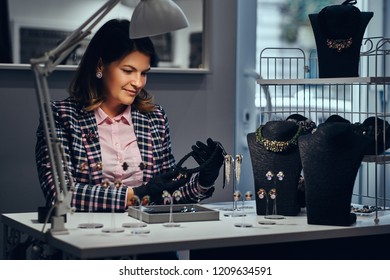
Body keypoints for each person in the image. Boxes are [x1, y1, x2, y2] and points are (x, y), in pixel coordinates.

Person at [35, 19, 224, 213]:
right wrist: (137, 194)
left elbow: (168, 195)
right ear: (100, 65)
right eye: (128, 71)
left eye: (143, 73)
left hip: (145, 234)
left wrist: (203, 180)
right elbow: (59, 194)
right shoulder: (62, 116)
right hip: (88, 236)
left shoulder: (154, 118)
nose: (138, 82)